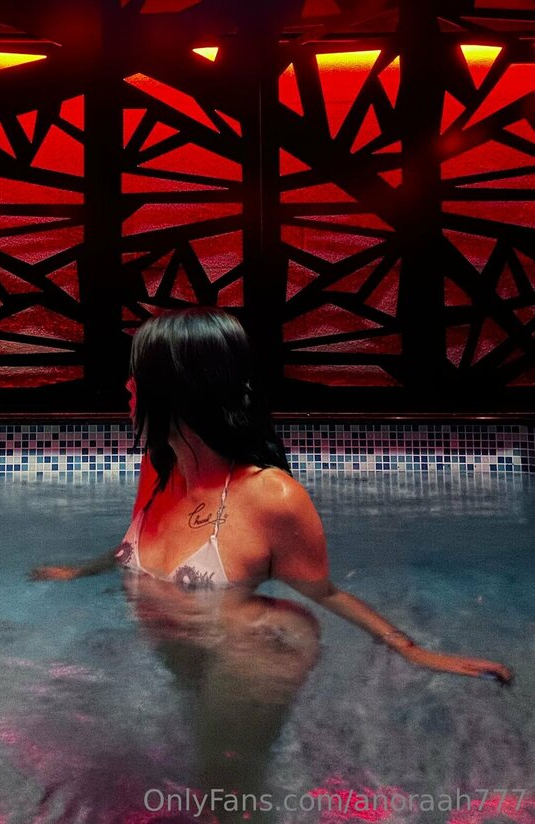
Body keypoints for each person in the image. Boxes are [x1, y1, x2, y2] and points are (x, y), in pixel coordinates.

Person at [31, 308, 512, 818]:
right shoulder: (160, 465)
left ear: (178, 387)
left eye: (139, 373)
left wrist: (413, 652)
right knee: (202, 774)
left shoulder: (270, 498)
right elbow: (135, 545)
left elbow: (323, 592)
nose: (128, 386)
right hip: (183, 649)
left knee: (228, 792)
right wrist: (81, 571)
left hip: (250, 655)